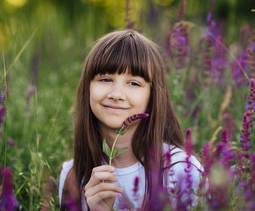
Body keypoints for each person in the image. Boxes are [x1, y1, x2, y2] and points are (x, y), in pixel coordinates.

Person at [59, 29, 203, 211]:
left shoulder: (182, 170)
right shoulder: (72, 175)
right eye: (104, 79)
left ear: (153, 95)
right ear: (87, 88)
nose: (116, 94)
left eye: (134, 83)